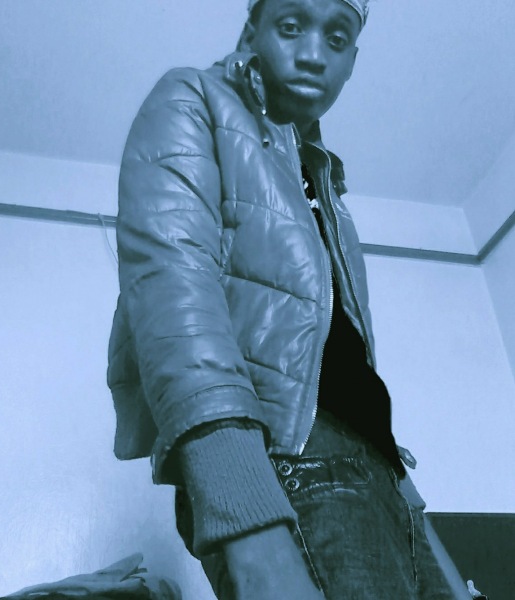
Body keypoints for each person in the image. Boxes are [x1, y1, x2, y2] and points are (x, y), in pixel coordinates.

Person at [107, 0, 465, 598]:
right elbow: (172, 291)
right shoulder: (192, 98)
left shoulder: (323, 181)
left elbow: (349, 376)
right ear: (253, 31)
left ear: (353, 60)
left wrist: (427, 539)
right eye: (292, 26)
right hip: (289, 469)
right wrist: (249, 526)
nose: (313, 54)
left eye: (337, 38)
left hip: (383, 486)